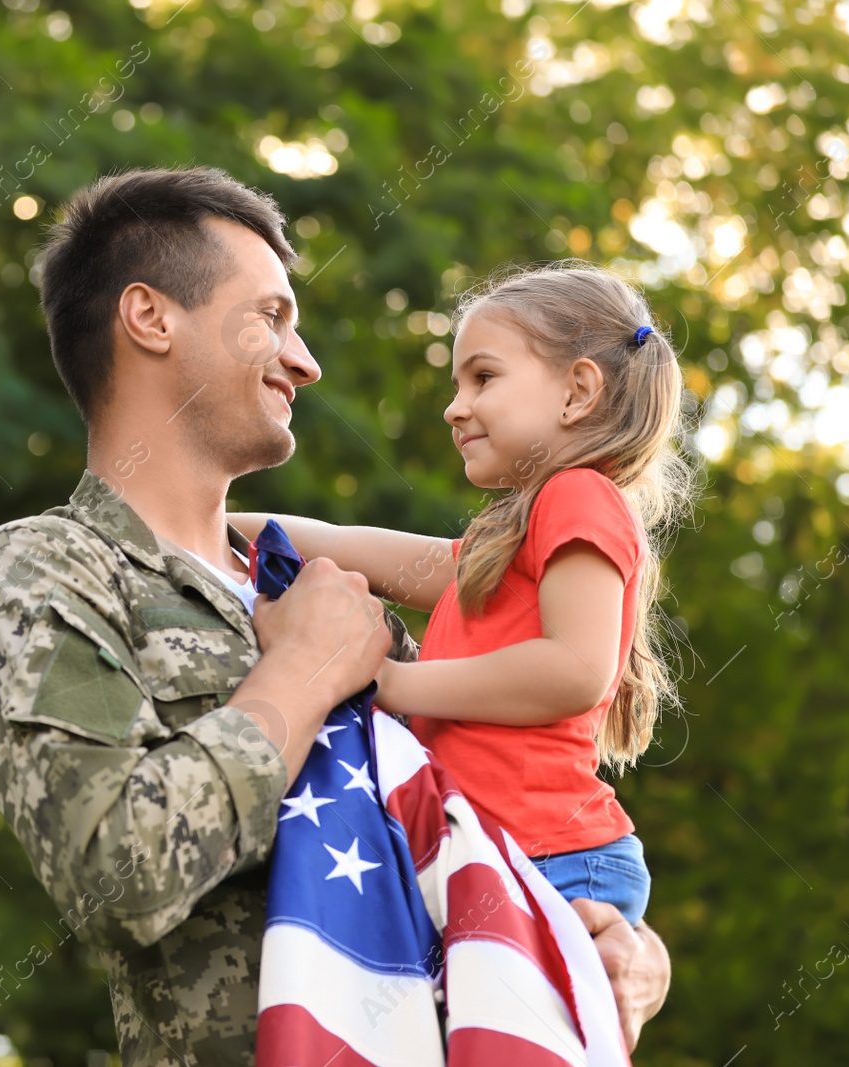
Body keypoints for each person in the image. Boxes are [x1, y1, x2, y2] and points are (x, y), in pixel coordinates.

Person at [0, 167, 670, 1065]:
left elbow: (510, 798)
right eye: (270, 317)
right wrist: (300, 676)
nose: (306, 360)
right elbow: (115, 877)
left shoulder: (321, 593)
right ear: (150, 317)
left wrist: (630, 949)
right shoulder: (49, 569)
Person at [230, 262, 693, 928]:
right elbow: (346, 541)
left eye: (484, 377)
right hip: (509, 857)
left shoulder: (577, 495)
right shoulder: (508, 539)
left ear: (577, 391)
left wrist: (388, 681)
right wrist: (218, 527)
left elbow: (573, 670)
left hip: (555, 862)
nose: (454, 406)